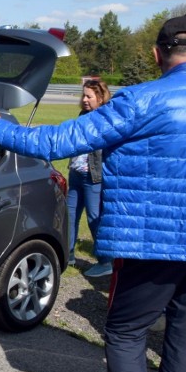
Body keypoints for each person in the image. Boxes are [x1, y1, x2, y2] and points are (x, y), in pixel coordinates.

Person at [0, 15, 186, 372]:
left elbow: (65, 139)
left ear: (156, 54)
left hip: (152, 244)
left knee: (127, 332)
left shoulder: (142, 99)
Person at [67, 79, 114, 277]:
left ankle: (105, 261)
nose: (84, 100)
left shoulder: (106, 118)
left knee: (94, 217)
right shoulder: (83, 115)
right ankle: (67, 255)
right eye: (83, 95)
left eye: (89, 96)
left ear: (100, 98)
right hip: (76, 173)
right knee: (70, 215)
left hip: (93, 177)